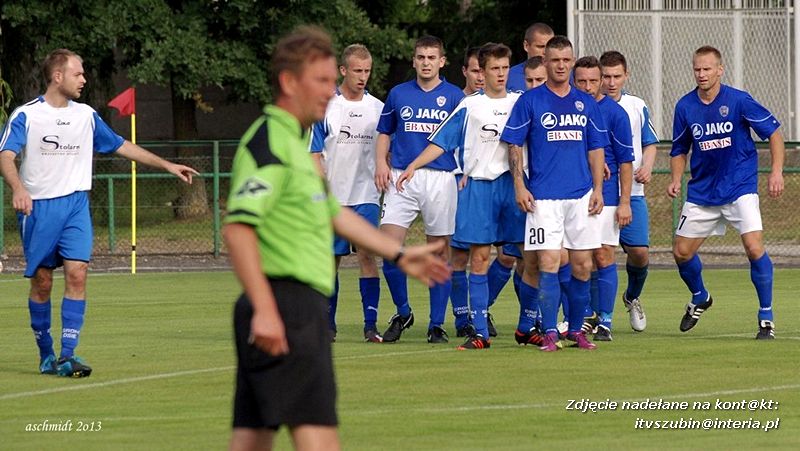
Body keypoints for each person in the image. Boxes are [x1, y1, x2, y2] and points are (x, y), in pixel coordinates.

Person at [224, 27, 451, 451]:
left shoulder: (295, 143)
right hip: (284, 305)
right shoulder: (269, 142)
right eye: (323, 81)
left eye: (334, 80)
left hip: (288, 305)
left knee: (252, 439)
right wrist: (266, 309)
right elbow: (238, 228)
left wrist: (399, 253)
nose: (332, 91)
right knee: (319, 439)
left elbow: (335, 215)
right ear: (290, 82)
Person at [0, 49, 198, 378]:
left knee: (77, 273)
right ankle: (46, 354)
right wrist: (18, 189)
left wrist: (167, 164)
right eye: (78, 73)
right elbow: (5, 155)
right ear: (58, 76)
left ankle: (68, 355)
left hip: (76, 205)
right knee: (43, 283)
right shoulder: (27, 115)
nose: (84, 79)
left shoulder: (86, 116)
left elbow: (121, 145)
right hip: (39, 208)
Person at [397, 43, 525, 350]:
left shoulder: (522, 102)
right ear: (482, 71)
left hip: (513, 186)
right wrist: (413, 165)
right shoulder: (468, 106)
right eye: (495, 68)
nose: (501, 74)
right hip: (479, 188)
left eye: (505, 68)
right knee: (479, 259)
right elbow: (441, 143)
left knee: (528, 257)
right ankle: (479, 332)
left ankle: (530, 326)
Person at [501, 35, 608, 352]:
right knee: (547, 262)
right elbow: (514, 144)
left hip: (580, 195)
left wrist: (598, 189)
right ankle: (548, 331)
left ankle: (575, 330)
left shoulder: (586, 102)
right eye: (555, 60)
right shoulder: (530, 102)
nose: (561, 65)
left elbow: (596, 148)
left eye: (566, 60)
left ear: (572, 62)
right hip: (543, 197)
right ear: (544, 62)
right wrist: (520, 185)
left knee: (582, 266)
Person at [668, 45, 783, 340]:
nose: (702, 74)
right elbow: (680, 149)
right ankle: (700, 296)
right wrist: (676, 179)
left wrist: (776, 172)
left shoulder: (739, 100)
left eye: (707, 69)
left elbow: (774, 133)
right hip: (702, 192)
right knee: (681, 253)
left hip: (739, 186)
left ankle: (766, 317)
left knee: (755, 248)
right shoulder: (685, 106)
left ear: (720, 70)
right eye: (697, 69)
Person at [374, 35, 464, 343]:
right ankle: (403, 311)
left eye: (431, 58)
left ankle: (436, 324)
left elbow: (459, 142)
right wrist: (380, 164)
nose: (426, 63)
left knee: (439, 253)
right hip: (401, 176)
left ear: (442, 62)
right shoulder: (398, 94)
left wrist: (462, 172)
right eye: (421, 57)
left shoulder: (454, 97)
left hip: (440, 178)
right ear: (414, 61)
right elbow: (384, 132)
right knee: (388, 248)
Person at [310, 44, 385, 343]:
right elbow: (314, 153)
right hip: (333, 199)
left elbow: (386, 150)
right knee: (331, 260)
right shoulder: (325, 106)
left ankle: (370, 325)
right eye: (357, 70)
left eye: (367, 71)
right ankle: (328, 324)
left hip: (366, 195)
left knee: (367, 256)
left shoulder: (379, 109)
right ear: (343, 70)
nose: (363, 76)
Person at [573, 56, 634, 342]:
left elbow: (624, 161)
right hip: (571, 192)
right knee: (577, 257)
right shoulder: (567, 107)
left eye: (592, 81)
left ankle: (605, 320)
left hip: (607, 195)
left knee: (603, 255)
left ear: (600, 81)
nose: (587, 87)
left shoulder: (615, 113)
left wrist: (624, 202)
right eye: (581, 81)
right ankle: (583, 315)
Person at [600, 50, 659, 332]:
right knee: (596, 254)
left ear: (626, 76)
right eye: (606, 76)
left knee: (639, 253)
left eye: (616, 76)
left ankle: (632, 296)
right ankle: (590, 316)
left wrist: (646, 166)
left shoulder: (636, 105)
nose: (611, 82)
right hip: (599, 192)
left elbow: (649, 142)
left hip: (632, 192)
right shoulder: (588, 105)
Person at [449, 46, 483, 339]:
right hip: (460, 186)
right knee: (459, 255)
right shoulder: (456, 103)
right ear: (465, 72)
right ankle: (463, 319)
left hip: (494, 187)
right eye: (475, 71)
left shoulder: (505, 102)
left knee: (506, 257)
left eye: (485, 71)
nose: (481, 77)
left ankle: (484, 312)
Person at [507, 23, 555, 92]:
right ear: (526, 46)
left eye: (550, 47)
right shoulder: (509, 76)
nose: (545, 52)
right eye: (540, 46)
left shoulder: (564, 75)